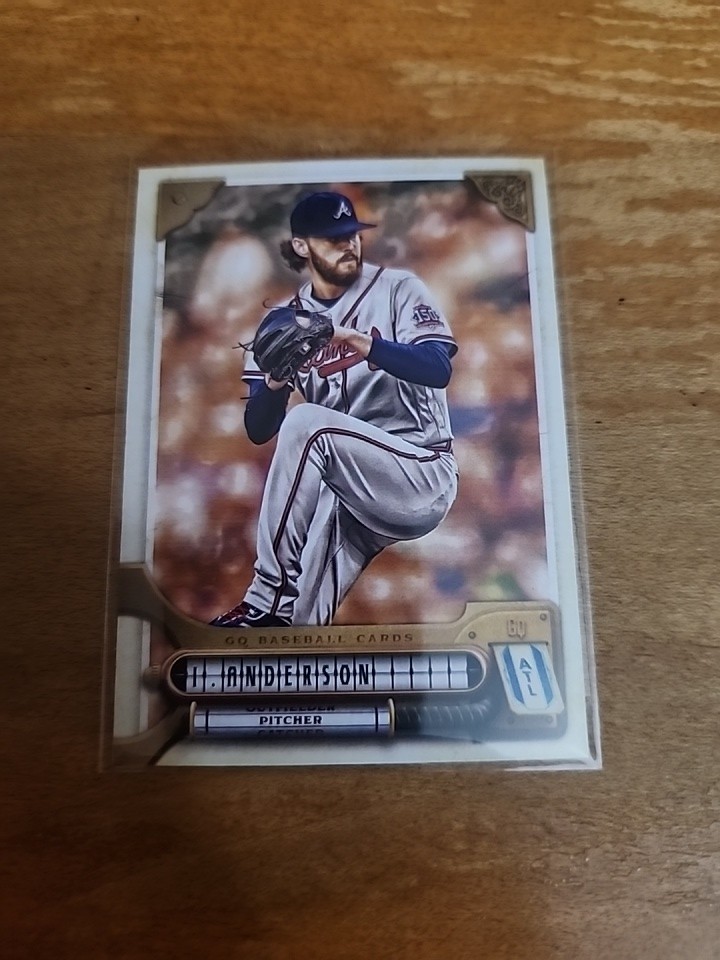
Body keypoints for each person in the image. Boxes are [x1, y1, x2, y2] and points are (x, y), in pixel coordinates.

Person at [210, 191, 458, 628]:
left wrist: (359, 341)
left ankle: (264, 598)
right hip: (350, 493)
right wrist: (275, 381)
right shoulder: (284, 322)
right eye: (333, 238)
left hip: (419, 472)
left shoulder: (399, 289)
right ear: (301, 246)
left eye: (352, 234)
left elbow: (438, 369)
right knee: (298, 624)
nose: (348, 244)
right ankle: (279, 638)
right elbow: (258, 429)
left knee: (308, 423)